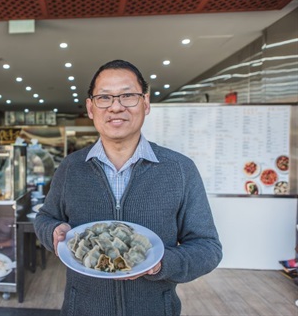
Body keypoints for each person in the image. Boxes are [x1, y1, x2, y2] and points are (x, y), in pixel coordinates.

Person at [33, 59, 222, 316]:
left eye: (128, 96)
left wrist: (159, 264)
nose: (116, 107)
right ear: (91, 107)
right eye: (104, 98)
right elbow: (45, 217)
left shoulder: (180, 169)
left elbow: (207, 248)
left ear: (145, 103)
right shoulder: (71, 167)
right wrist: (53, 232)